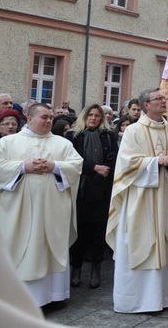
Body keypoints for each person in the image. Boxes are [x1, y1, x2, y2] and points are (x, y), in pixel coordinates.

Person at [106, 87, 168, 313]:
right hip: (141, 199)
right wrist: (157, 162)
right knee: (138, 241)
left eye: (164, 98)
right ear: (146, 104)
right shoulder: (133, 131)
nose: (164, 101)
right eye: (159, 99)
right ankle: (136, 300)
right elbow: (126, 163)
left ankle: (167, 297)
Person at [0, 102, 83, 306]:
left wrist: (55, 166)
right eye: (44, 117)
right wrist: (23, 167)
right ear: (30, 119)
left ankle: (54, 296)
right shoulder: (8, 142)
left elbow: (76, 166)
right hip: (17, 212)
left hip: (53, 210)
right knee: (20, 250)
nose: (49, 120)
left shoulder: (62, 143)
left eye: (51, 117)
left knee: (51, 249)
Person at [65, 104, 118, 289]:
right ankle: (76, 269)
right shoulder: (73, 136)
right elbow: (72, 159)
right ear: (84, 116)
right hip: (80, 189)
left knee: (98, 232)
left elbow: (113, 158)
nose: (94, 118)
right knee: (79, 231)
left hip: (102, 190)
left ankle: (96, 269)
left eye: (97, 115)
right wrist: (93, 168)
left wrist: (102, 171)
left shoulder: (109, 136)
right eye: (90, 115)